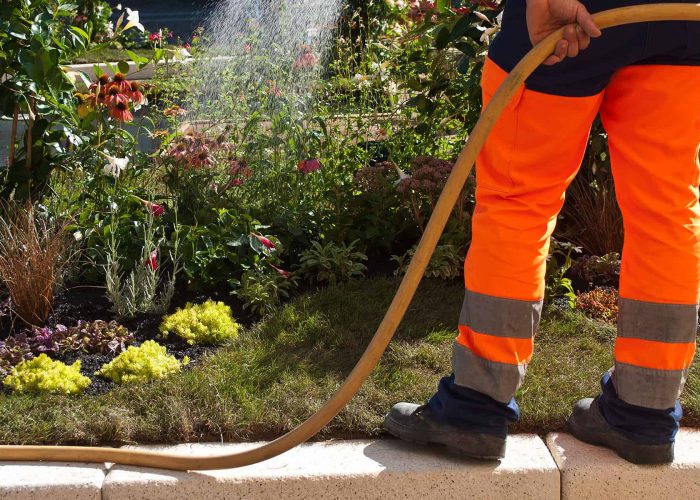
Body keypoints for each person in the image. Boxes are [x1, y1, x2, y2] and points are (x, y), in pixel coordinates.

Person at [384, 0, 700, 465]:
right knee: (668, 209)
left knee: (518, 201)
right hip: (683, 18)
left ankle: (474, 407)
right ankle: (644, 413)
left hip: (581, 13)